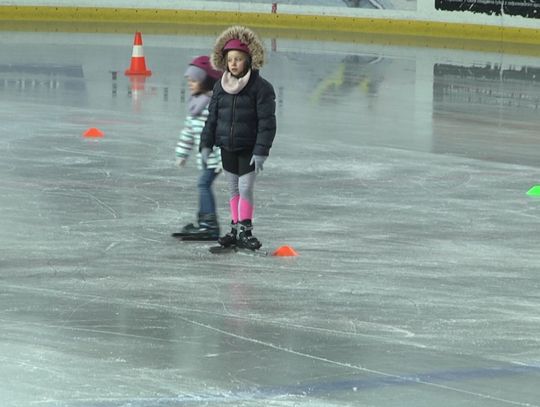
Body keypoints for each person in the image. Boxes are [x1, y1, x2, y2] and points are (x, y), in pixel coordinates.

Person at [200, 26, 277, 250]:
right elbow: (212, 118)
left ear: (250, 60)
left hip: (249, 148)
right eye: (230, 59)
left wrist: (261, 150)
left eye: (239, 59)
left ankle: (246, 229)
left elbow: (267, 123)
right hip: (227, 146)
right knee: (233, 188)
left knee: (245, 188)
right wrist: (206, 143)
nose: (233, 63)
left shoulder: (261, 89)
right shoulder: (220, 86)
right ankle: (235, 229)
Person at [172, 55, 223, 240]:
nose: (190, 84)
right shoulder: (196, 103)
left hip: (215, 158)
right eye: (189, 80)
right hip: (206, 158)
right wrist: (182, 154)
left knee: (203, 184)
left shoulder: (212, 105)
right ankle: (205, 223)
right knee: (203, 184)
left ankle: (209, 226)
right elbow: (189, 131)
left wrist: (222, 158)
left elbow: (221, 134)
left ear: (207, 81)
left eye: (194, 80)